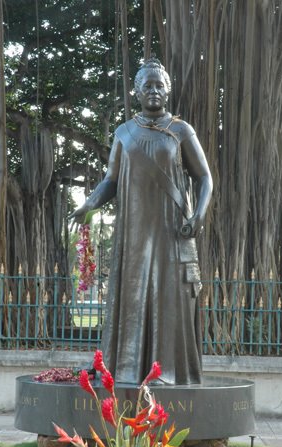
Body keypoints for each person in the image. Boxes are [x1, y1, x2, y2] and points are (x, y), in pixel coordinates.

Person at [71, 58, 213, 385]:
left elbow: (204, 177)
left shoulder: (180, 130)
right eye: (146, 85)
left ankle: (170, 373)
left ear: (168, 89)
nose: (153, 91)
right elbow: (110, 179)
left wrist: (198, 214)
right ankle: (127, 370)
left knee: (170, 298)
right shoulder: (124, 132)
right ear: (136, 91)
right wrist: (90, 204)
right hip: (134, 232)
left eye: (158, 85)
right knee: (132, 298)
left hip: (171, 230)